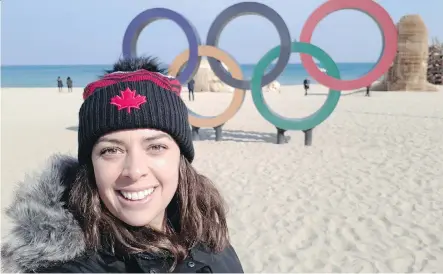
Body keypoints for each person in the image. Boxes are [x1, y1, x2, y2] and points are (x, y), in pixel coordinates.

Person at [1, 58, 244, 273]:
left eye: (156, 147)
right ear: (91, 165)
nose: (135, 171)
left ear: (180, 157)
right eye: (111, 150)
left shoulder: (210, 236)